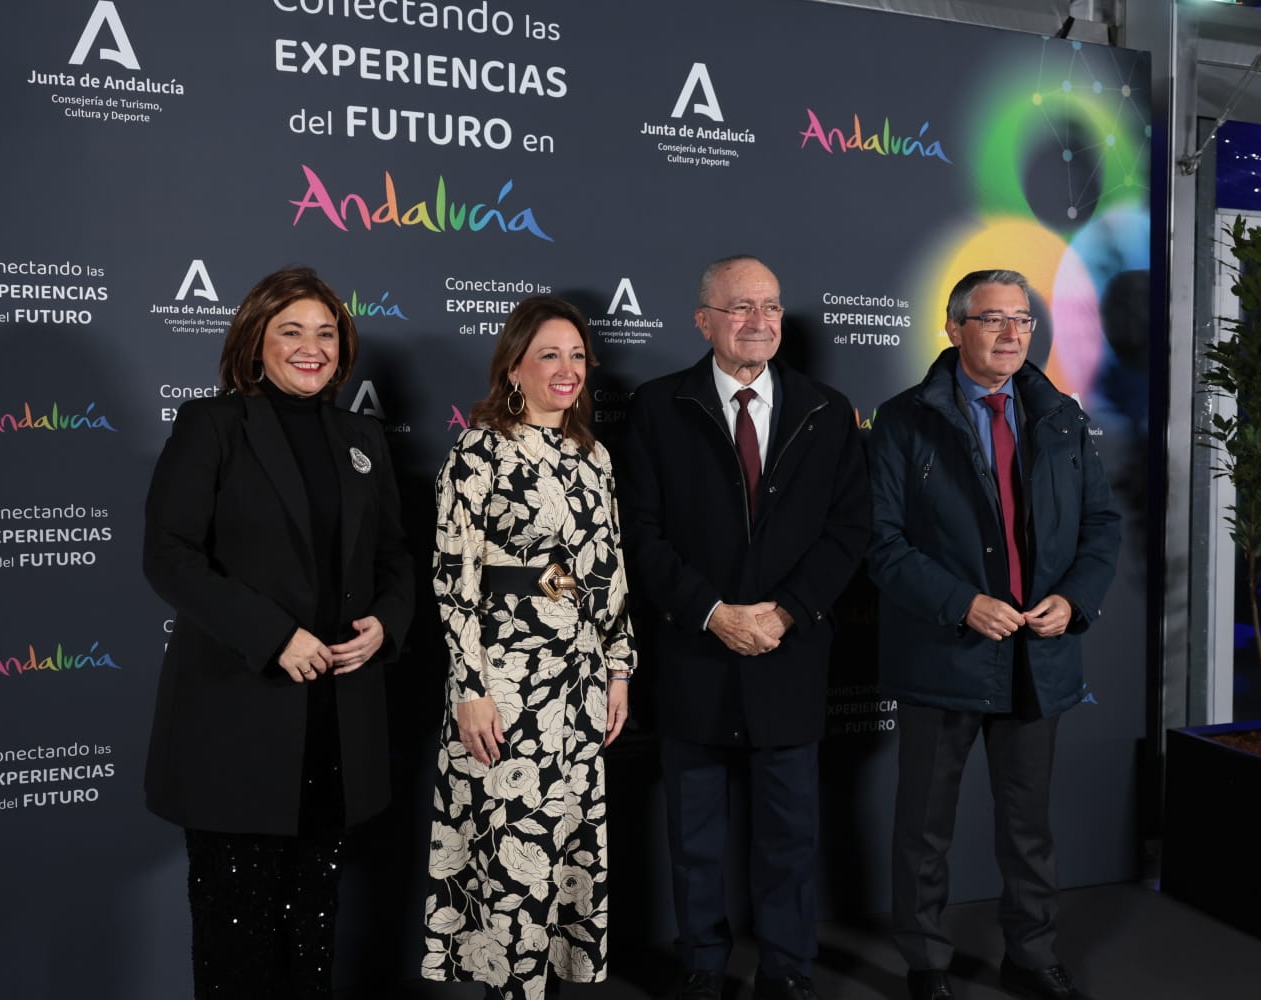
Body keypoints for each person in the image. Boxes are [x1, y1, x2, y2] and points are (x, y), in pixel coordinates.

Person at [142, 265, 414, 998]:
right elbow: (168, 556)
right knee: (237, 935)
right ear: (254, 340)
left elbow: (394, 559)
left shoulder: (362, 437)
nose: (311, 346)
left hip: (334, 724)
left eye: (326, 333)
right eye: (291, 330)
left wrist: (385, 627)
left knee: (311, 927)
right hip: (239, 721)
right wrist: (274, 636)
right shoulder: (213, 425)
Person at [865, 269, 1120, 1000]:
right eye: (992, 320)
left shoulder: (1061, 416)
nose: (1012, 335)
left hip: (1036, 655)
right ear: (954, 329)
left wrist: (1075, 600)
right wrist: (962, 604)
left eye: (1023, 321)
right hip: (944, 651)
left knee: (1028, 825)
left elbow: (1101, 525)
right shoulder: (904, 420)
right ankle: (927, 964)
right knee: (924, 827)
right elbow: (881, 543)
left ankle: (1032, 953)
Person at [625, 255, 871, 1000]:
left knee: (789, 835)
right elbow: (638, 532)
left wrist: (787, 611)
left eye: (769, 306)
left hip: (789, 655)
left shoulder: (828, 411)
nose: (759, 321)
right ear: (704, 322)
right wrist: (713, 612)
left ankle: (786, 968)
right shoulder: (657, 407)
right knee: (695, 835)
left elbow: (849, 529)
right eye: (740, 308)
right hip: (694, 653)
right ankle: (703, 962)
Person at [422, 295, 636, 1000]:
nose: (568, 368)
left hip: (576, 687)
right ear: (514, 366)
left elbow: (608, 574)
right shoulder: (479, 447)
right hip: (505, 688)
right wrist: (471, 690)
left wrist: (619, 670)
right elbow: (454, 581)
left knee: (562, 855)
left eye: (577, 355)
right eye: (550, 354)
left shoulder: (593, 454)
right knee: (513, 869)